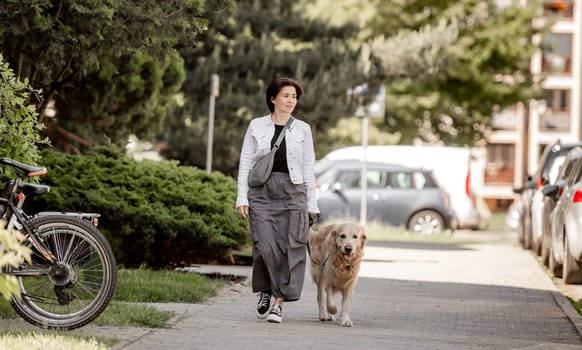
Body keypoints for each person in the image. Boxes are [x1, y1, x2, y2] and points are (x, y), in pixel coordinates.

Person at [235, 77, 320, 324]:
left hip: (293, 193)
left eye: (294, 97)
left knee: (289, 249)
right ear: (273, 98)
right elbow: (246, 163)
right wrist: (242, 196)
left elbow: (308, 167)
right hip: (262, 192)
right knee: (265, 245)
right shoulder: (256, 126)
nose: (291, 100)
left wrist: (312, 206)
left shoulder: (303, 129)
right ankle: (266, 288)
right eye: (286, 95)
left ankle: (278, 303)